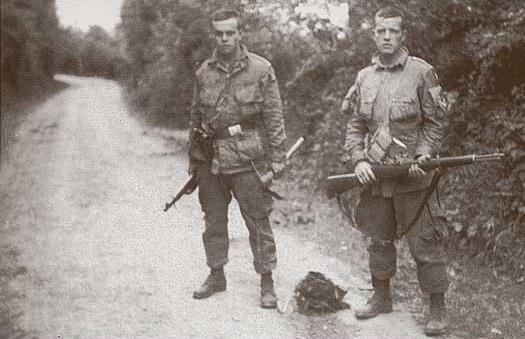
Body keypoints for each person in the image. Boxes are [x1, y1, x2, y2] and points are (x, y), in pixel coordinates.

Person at [341, 6, 449, 336]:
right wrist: (358, 160)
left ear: (403, 36)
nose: (386, 36)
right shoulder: (364, 77)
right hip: (375, 177)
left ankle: (437, 307)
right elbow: (355, 125)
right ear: (374, 35)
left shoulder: (421, 73)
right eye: (381, 31)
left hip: (414, 179)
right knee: (378, 239)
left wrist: (424, 155)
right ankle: (381, 297)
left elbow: (435, 122)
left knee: (425, 243)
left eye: (393, 31)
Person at [187, 9, 286, 309]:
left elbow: (273, 115)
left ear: (240, 33)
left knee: (257, 220)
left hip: (247, 157)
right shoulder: (204, 72)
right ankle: (216, 274)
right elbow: (195, 116)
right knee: (213, 219)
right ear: (213, 35)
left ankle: (266, 282)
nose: (225, 38)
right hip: (212, 159)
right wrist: (194, 159)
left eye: (230, 32)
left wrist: (278, 158)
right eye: (219, 33)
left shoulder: (260, 69)